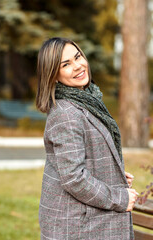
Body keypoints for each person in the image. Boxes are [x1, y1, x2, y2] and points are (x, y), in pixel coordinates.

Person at [36, 37, 138, 240]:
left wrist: (111, 172)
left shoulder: (87, 101)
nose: (78, 66)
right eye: (66, 64)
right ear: (53, 75)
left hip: (86, 221)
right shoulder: (66, 113)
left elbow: (81, 156)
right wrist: (119, 197)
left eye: (77, 57)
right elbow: (73, 177)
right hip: (77, 226)